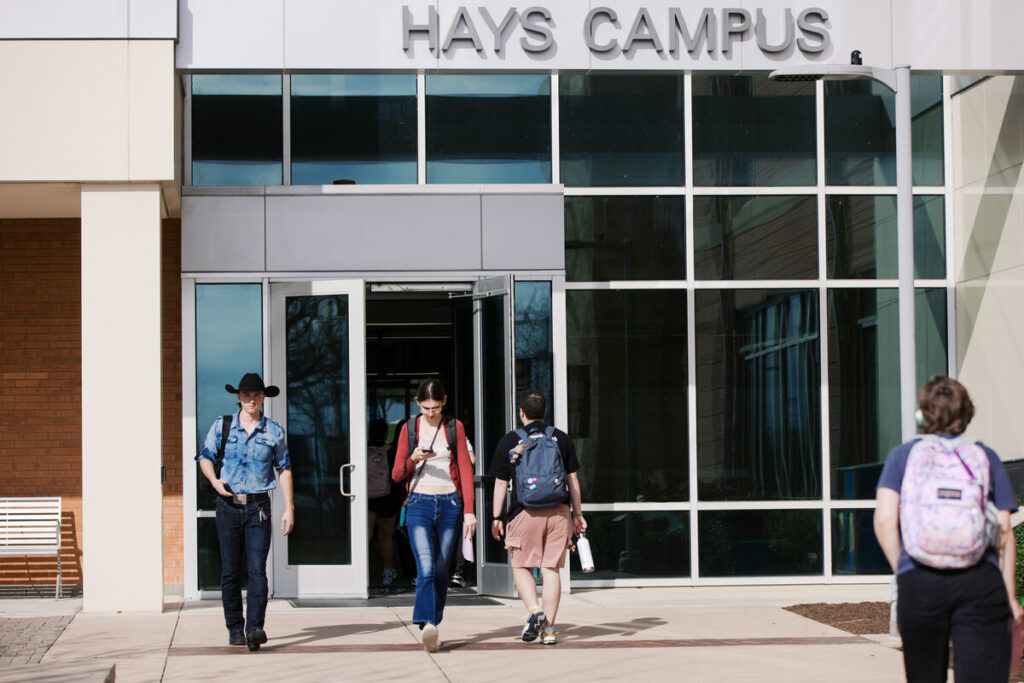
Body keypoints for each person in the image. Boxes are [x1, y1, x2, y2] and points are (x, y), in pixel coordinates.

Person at [874, 374, 1023, 681]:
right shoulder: (985, 456)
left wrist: (905, 569)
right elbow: (1004, 531)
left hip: (920, 580)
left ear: (922, 415)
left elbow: (885, 519)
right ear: (967, 413)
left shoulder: (902, 457)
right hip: (979, 581)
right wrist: (1008, 595)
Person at [196, 372, 294, 651]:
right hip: (227, 506)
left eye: (256, 394)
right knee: (230, 571)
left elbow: (284, 468)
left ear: (264, 397)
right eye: (246, 395)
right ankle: (235, 628)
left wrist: (289, 507)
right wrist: (214, 481)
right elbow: (204, 456)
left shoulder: (274, 431)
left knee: (256, 570)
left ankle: (254, 628)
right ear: (238, 398)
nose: (251, 399)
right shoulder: (222, 426)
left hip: (258, 507)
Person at [490, 389, 586, 646]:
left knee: (521, 566)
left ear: (521, 413)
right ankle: (550, 630)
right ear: (545, 412)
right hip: (559, 512)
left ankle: (534, 610)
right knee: (550, 568)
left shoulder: (509, 440)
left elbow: (501, 483)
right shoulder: (560, 438)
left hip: (524, 512)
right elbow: (572, 480)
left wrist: (496, 517)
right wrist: (577, 514)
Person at [391, 379, 476, 652]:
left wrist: (469, 511)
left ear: (445, 401)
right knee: (426, 566)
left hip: (450, 503)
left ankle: (432, 624)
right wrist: (414, 459)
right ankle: (428, 622)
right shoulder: (409, 429)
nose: (431, 412)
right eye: (426, 407)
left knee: (441, 570)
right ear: (418, 403)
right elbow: (396, 475)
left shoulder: (455, 427)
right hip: (418, 503)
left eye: (436, 407)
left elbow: (465, 468)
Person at [367, 418, 400, 586]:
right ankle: (387, 574)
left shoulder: (362, 449)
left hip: (369, 499)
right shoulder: (391, 451)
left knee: (366, 537)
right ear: (386, 433)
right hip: (388, 498)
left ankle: (361, 573)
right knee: (387, 538)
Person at [449, 436, 476, 587]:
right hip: (455, 492)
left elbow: (470, 461)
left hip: (451, 492)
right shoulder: (461, 438)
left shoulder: (457, 435)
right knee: (458, 534)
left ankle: (453, 572)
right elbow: (472, 460)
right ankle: (457, 573)